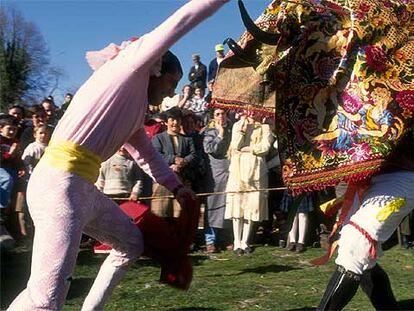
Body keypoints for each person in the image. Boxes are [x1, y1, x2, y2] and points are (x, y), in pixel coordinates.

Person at [7, 1, 228, 310]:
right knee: (46, 299)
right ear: (156, 69)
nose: (170, 92)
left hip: (79, 188)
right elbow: (183, 20)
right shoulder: (130, 67)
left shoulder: (136, 110)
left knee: (130, 243)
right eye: (171, 82)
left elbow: (148, 157)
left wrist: (177, 188)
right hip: (59, 185)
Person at [225, 113, 273, 255]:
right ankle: (236, 241)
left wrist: (249, 149)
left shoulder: (265, 127)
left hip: (256, 170)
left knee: (252, 206)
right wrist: (243, 129)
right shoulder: (237, 125)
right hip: (238, 169)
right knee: (237, 206)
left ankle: (245, 241)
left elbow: (265, 147)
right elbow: (235, 146)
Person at [151, 107, 197, 219]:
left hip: (182, 180)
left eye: (177, 120)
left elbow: (193, 155)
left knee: (180, 214)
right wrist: (173, 159)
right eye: (172, 120)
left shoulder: (187, 139)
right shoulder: (158, 138)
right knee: (161, 212)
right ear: (166, 122)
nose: (175, 123)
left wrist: (183, 162)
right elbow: (156, 155)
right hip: (162, 181)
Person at [203, 108, 232, 253]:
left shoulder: (233, 130)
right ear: (213, 117)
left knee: (228, 206)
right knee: (213, 206)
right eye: (218, 114)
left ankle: (226, 238)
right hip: (215, 175)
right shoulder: (208, 132)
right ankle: (210, 240)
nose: (221, 117)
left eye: (223, 114)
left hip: (231, 173)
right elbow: (210, 149)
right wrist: (220, 134)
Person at [0, 115, 24, 250]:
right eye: (9, 129)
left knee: (19, 188)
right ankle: (1, 211)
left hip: (11, 170)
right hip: (1, 169)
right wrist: (10, 153)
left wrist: (21, 168)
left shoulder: (14, 141)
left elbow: (18, 160)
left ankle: (17, 227)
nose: (12, 132)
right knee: (7, 179)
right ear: (1, 129)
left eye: (14, 129)